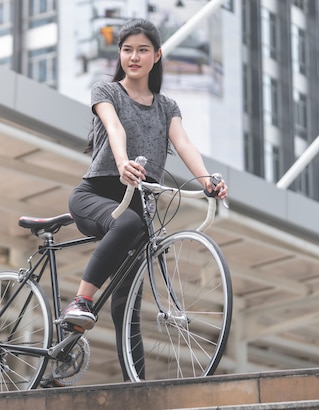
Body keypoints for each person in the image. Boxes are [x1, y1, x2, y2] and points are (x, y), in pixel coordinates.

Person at [59, 18, 228, 379]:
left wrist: (208, 180)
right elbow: (114, 128)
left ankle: (136, 388)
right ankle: (81, 300)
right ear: (120, 54)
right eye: (127, 49)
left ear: (157, 55)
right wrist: (122, 163)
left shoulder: (167, 106)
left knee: (128, 304)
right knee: (129, 223)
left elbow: (184, 144)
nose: (133, 56)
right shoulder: (106, 92)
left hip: (139, 203)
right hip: (97, 194)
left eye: (142, 49)